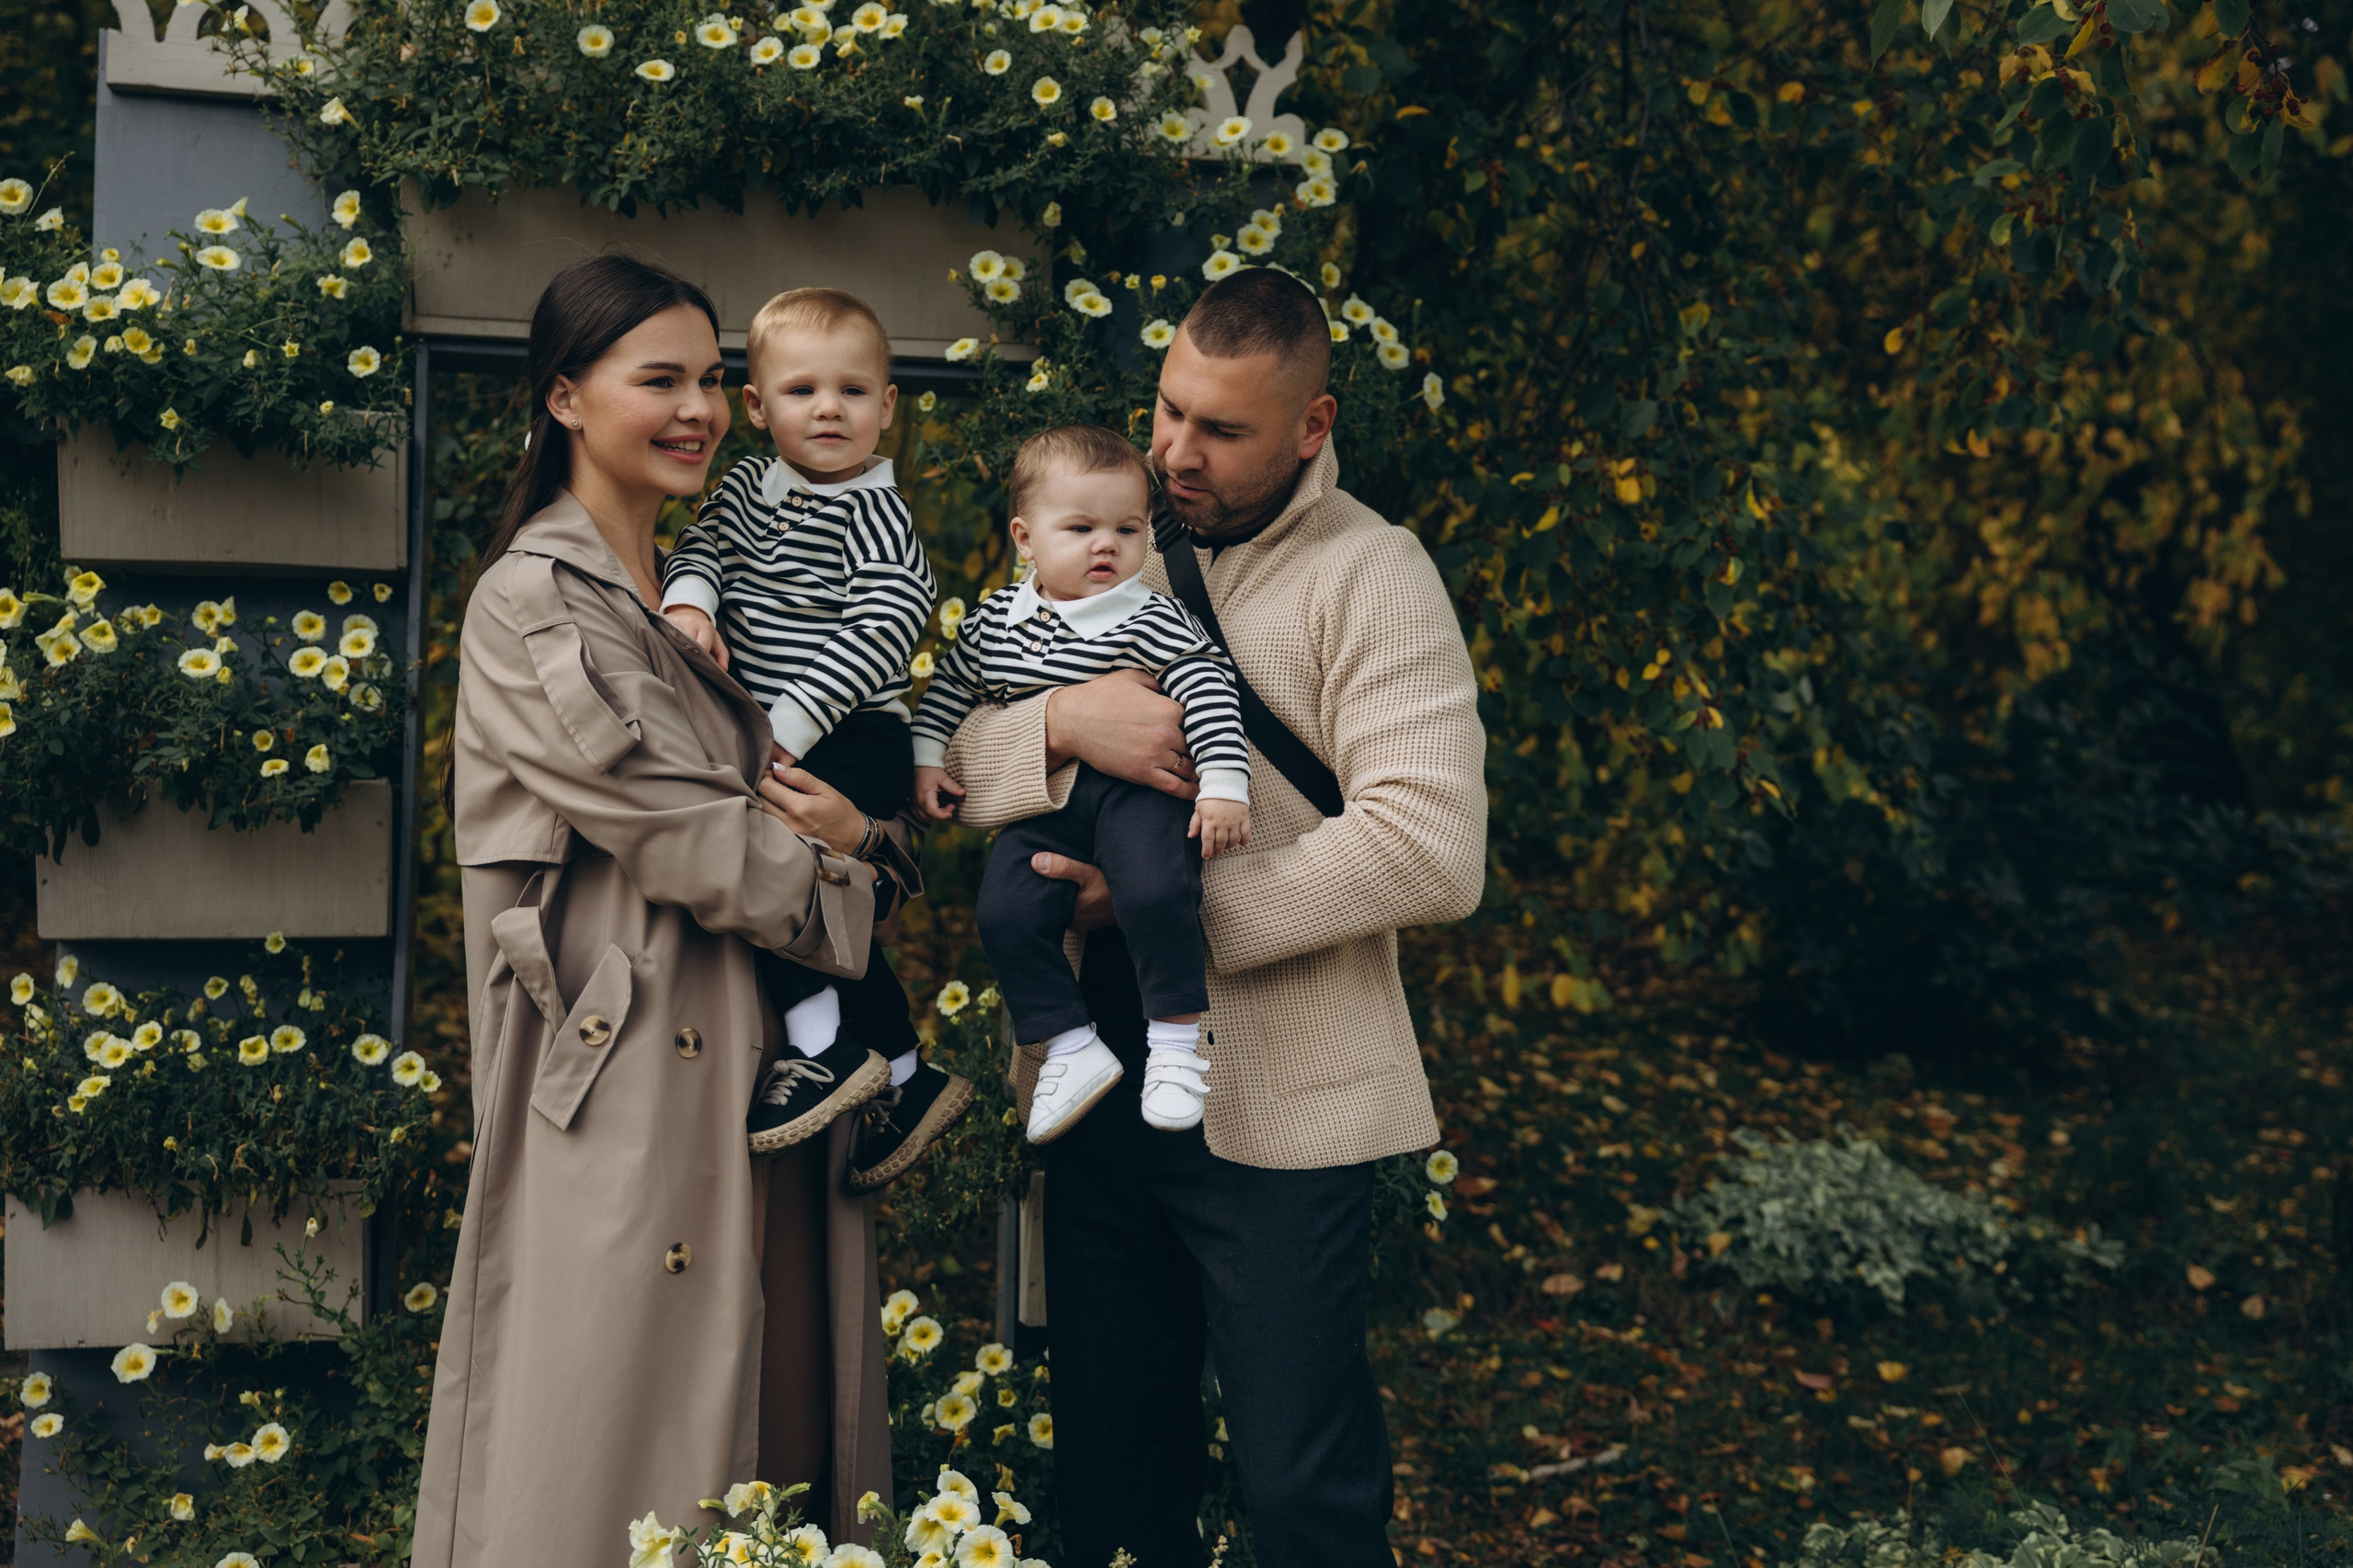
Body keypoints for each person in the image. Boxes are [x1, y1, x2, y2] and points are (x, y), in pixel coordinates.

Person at [944, 268, 1486, 1567]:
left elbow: (1432, 849)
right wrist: (1063, 726)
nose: (1174, 450)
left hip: (1287, 1104)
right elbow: (957, 749)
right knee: (1115, 1478)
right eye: (1169, 408)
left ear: (1312, 425)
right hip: (1102, 1082)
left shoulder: (1377, 574)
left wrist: (1168, 910)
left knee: (1303, 1488)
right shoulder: (1111, 528)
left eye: (1222, 429)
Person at [415, 256, 905, 1566]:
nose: (696, 407)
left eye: (708, 379)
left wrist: (861, 828)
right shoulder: (536, 600)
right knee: (608, 1462)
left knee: (775, 1447)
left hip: (765, 1073)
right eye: (659, 380)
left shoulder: (703, 601)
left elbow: (836, 767)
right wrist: (860, 873)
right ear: (568, 398)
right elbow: (690, 833)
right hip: (626, 1088)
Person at [659, 285, 972, 1191]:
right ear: (756, 407)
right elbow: (701, 545)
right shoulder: (747, 486)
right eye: (801, 391)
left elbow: (884, 625)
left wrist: (783, 728)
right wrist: (690, 599)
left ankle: (820, 1047)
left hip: (849, 734)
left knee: (778, 884)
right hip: (776, 735)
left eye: (852, 391)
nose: (828, 409)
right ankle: (902, 1072)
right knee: (808, 901)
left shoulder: (876, 513)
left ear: (886, 405)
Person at [912, 425, 1251, 1140]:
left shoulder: (1150, 615)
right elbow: (950, 694)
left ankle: (1176, 1046)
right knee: (1005, 910)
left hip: (1138, 798)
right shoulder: (993, 623)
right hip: (1049, 800)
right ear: (1025, 538)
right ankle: (1069, 1042)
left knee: (1158, 891)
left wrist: (1223, 781)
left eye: (1127, 529)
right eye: (1081, 527)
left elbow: (1209, 688)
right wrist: (926, 756)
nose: (1107, 545)